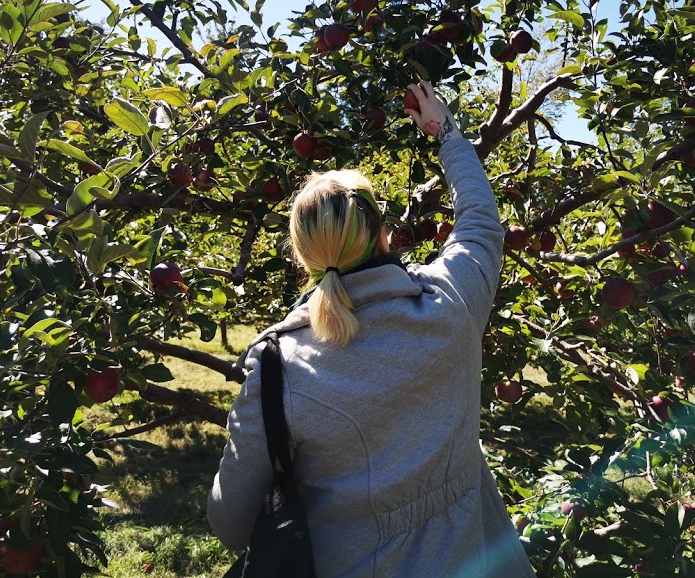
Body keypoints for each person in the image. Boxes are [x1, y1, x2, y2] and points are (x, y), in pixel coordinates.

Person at [207, 81, 534, 577]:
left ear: (303, 256)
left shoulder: (279, 369)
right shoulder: (452, 302)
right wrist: (445, 130)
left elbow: (229, 525)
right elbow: (481, 223)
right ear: (384, 233)